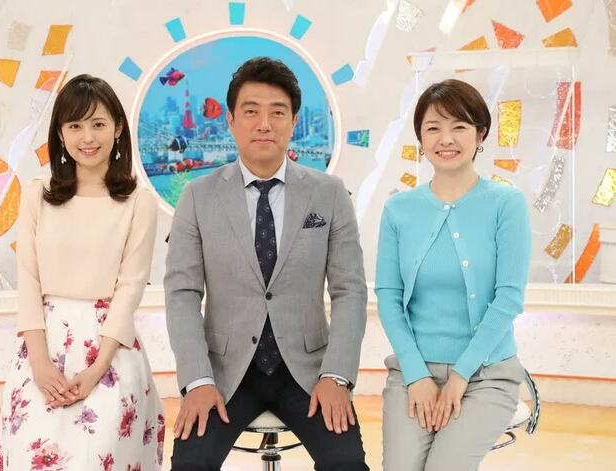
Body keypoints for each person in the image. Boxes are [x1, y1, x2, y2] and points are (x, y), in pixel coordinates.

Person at [165, 57, 369, 470]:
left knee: (346, 463)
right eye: (251, 111)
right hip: (224, 373)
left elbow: (350, 291)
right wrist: (198, 380)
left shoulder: (329, 193)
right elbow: (182, 293)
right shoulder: (197, 196)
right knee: (190, 463)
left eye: (277, 112)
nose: (264, 124)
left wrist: (336, 376)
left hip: (309, 370)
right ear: (230, 120)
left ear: (293, 121)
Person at [0, 74, 164, 470]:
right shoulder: (37, 194)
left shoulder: (138, 202)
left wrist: (96, 370)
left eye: (98, 124)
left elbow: (130, 289)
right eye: (75, 126)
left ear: (117, 128)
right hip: (42, 347)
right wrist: (39, 363)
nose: (87, 137)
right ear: (60, 133)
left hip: (109, 351)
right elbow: (28, 279)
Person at [375, 78, 532, 470]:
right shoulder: (398, 210)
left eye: (459, 126)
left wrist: (461, 376)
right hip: (413, 373)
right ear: (420, 139)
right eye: (433, 128)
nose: (446, 139)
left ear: (480, 134)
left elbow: (508, 298)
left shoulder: (506, 204)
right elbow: (388, 297)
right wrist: (416, 375)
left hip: (485, 375)